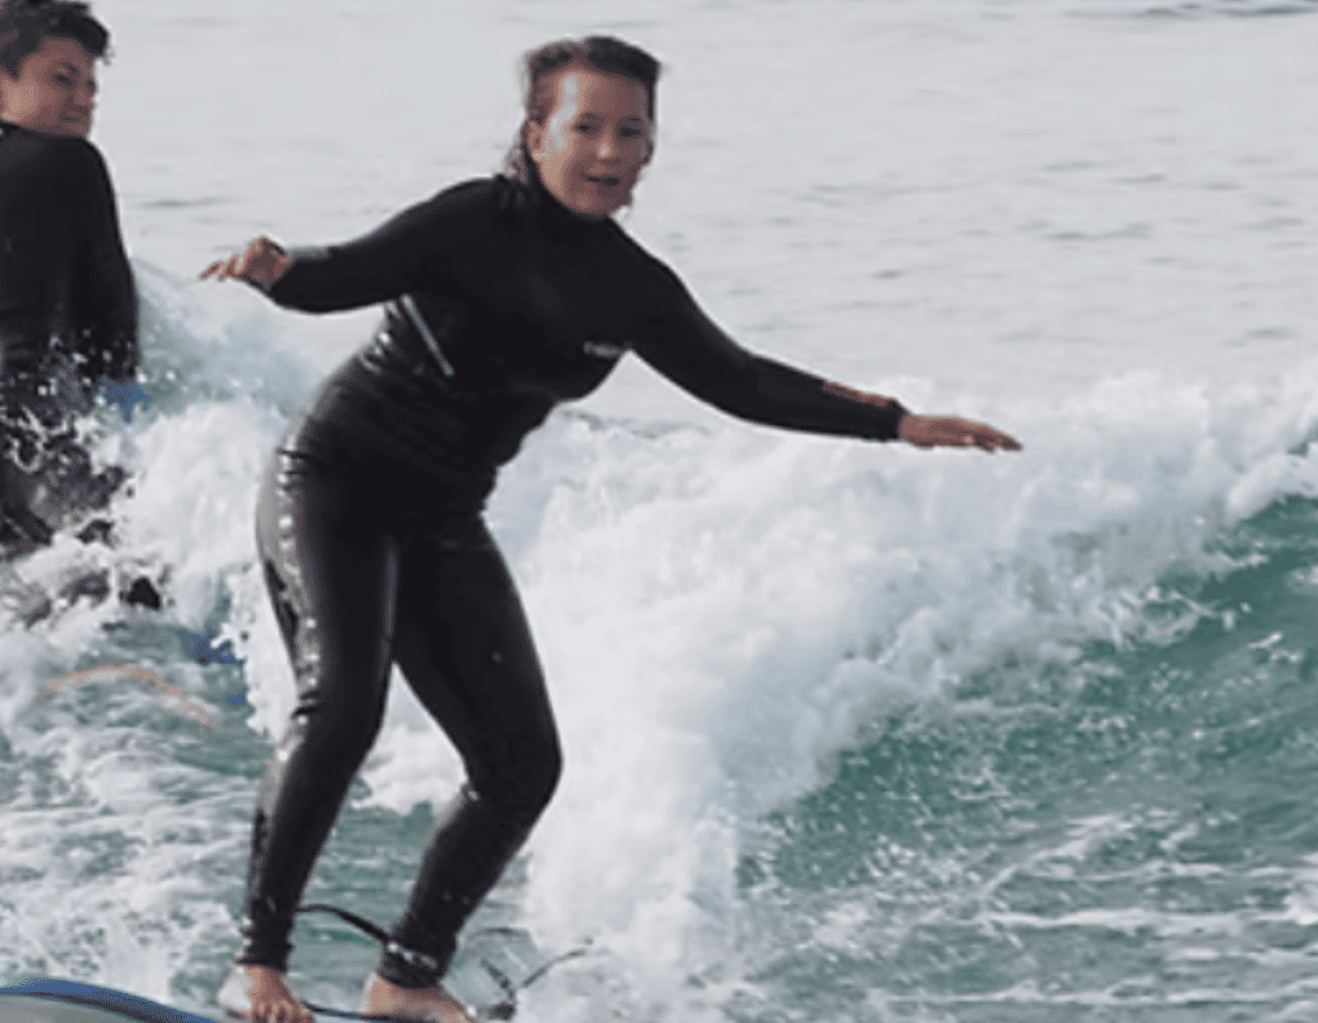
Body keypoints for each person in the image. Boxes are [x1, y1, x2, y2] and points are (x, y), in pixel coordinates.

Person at [202, 35, 1019, 1023]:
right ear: (535, 132)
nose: (608, 149)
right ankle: (257, 967)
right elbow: (342, 273)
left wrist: (894, 421)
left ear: (651, 149)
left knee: (520, 766)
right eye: (584, 125)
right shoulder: (472, 221)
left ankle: (406, 979)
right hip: (334, 481)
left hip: (443, 518)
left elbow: (740, 380)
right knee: (343, 707)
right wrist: (276, 267)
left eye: (630, 130)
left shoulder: (633, 287)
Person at [0, 0, 136, 559]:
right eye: (62, 80)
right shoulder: (66, 161)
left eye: (91, 86)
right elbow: (113, 321)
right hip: (26, 425)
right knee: (129, 574)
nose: (84, 100)